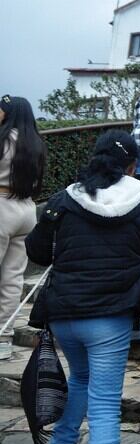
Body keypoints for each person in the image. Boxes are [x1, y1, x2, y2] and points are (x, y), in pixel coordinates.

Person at [26, 130, 140, 444]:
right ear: (132, 166)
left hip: (63, 316)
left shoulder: (66, 198)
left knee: (80, 379)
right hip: (109, 320)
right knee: (104, 406)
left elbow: (36, 251)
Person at [0, 96, 46, 360]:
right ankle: (4, 339)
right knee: (13, 277)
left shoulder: (2, 139)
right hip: (26, 209)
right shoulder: (35, 143)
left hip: (2, 205)